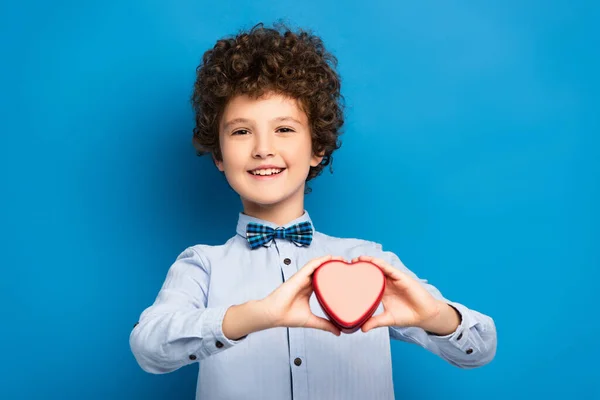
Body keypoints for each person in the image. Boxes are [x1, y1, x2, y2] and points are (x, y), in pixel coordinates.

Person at [129, 22, 497, 400]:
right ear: (219, 155)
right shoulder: (201, 265)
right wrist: (257, 315)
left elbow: (480, 348)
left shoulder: (368, 263)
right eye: (241, 132)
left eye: (284, 129)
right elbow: (148, 346)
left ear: (317, 148)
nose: (262, 149)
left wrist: (432, 316)